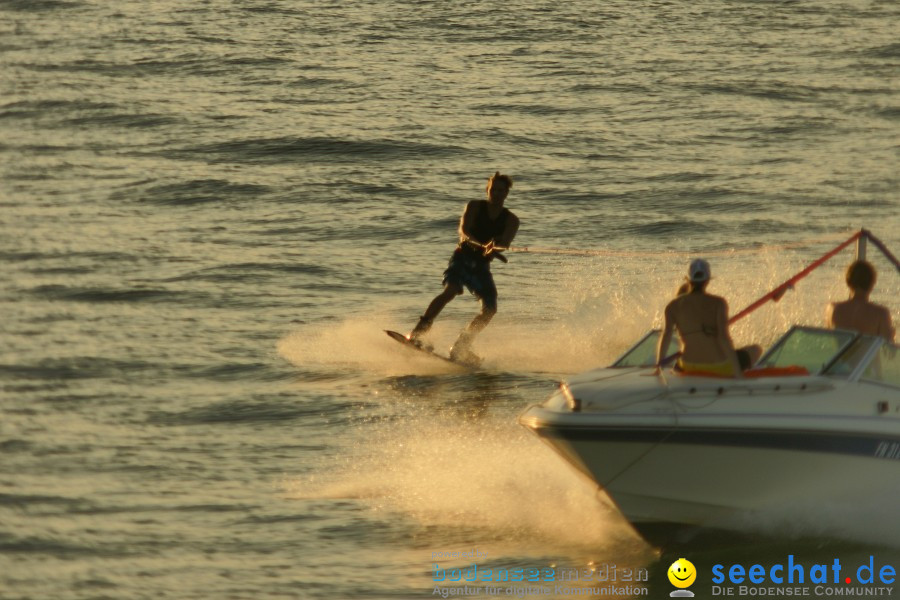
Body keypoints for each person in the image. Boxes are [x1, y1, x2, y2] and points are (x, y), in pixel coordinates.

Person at [408, 172, 520, 364]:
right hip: (463, 258)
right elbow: (464, 232)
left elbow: (506, 242)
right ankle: (419, 332)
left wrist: (496, 245)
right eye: (493, 189)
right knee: (450, 291)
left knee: (490, 309)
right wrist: (479, 244)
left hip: (481, 267)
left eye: (501, 190)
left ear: (506, 193)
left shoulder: (511, 220)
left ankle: (462, 345)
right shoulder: (475, 206)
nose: (497, 193)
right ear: (488, 190)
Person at [656, 259, 761, 378]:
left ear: (688, 279)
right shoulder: (718, 303)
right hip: (718, 367)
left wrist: (659, 366)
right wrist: (737, 372)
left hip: (687, 365)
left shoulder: (672, 306)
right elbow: (723, 338)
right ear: (707, 281)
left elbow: (666, 336)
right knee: (755, 349)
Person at [826, 260, 895, 341]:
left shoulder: (832, 309)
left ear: (848, 282)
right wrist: (891, 336)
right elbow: (888, 350)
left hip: (843, 354)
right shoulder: (880, 314)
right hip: (867, 354)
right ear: (872, 283)